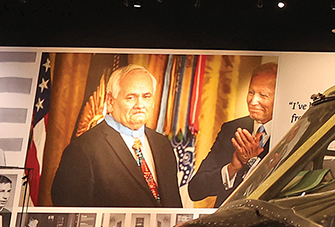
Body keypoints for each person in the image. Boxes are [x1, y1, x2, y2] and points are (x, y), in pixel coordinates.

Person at [50, 65, 184, 208]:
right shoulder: (83, 150)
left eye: (146, 97)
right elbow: (70, 214)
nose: (140, 105)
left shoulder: (162, 144)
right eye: (131, 97)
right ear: (110, 101)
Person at [188, 63, 279, 204]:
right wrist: (233, 168)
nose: (253, 101)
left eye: (263, 95)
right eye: (251, 92)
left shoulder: (290, 132)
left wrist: (253, 164)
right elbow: (195, 189)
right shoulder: (231, 129)